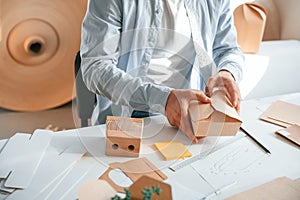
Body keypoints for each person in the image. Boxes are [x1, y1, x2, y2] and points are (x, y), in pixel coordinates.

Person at [80, 0, 244, 143]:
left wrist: (227, 72)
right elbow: (95, 66)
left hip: (190, 116)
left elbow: (228, 50)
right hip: (128, 116)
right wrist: (163, 99)